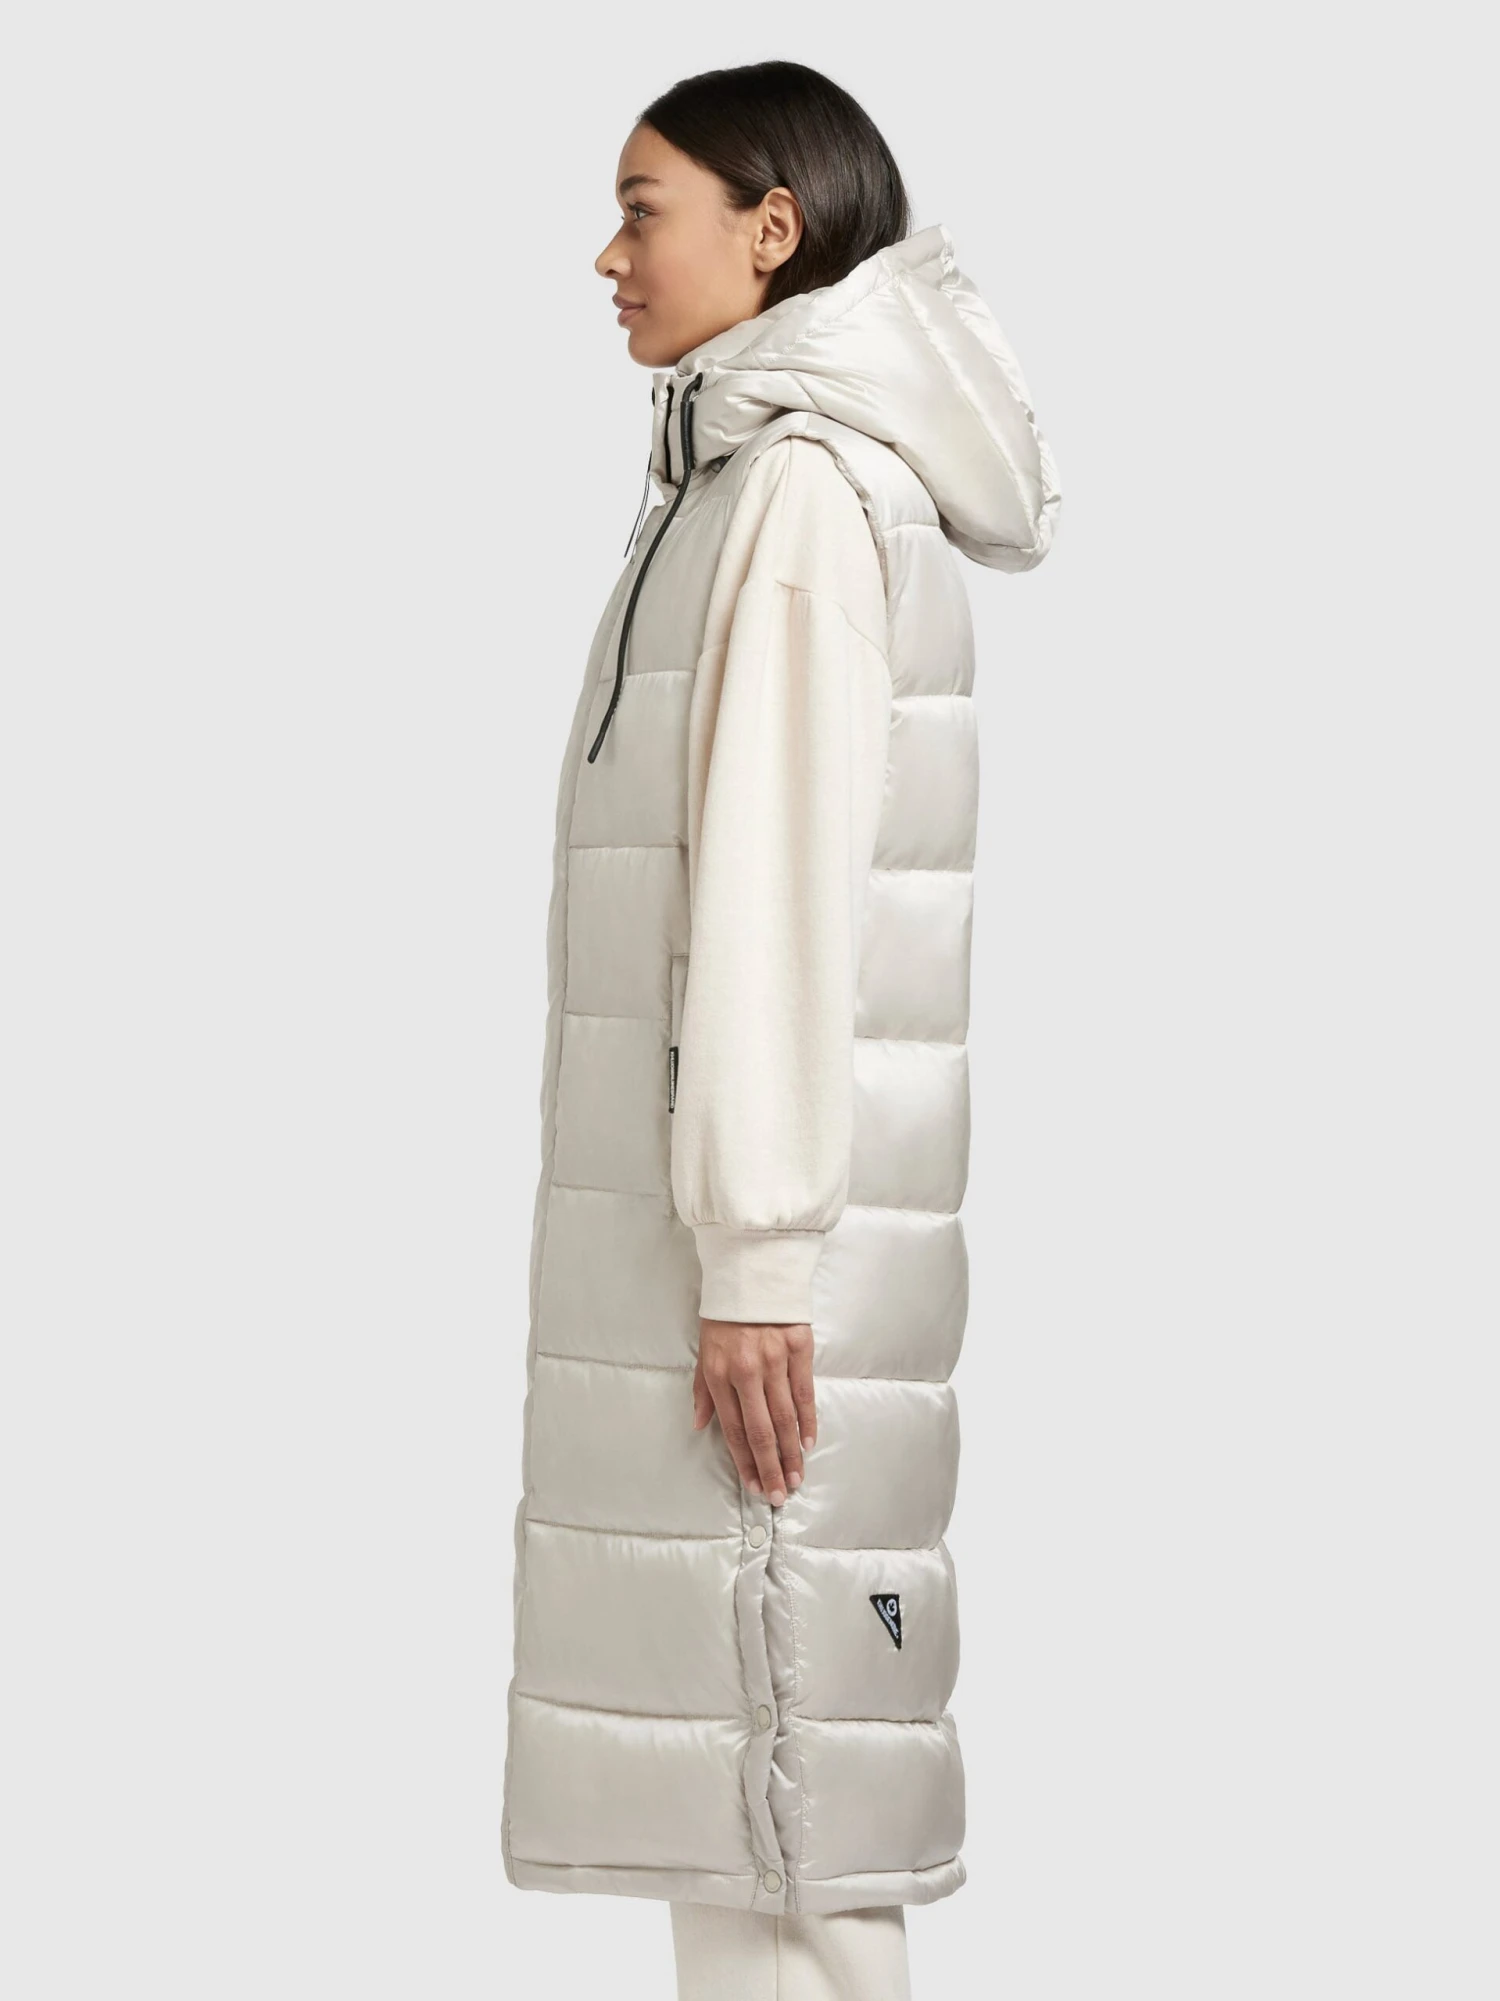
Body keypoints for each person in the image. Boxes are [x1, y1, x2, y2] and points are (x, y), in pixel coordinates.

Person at [500, 59, 1059, 2000]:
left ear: (773, 227)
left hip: (772, 1293)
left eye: (640, 209)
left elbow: (775, 902)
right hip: (759, 1272)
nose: (607, 254)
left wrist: (751, 1259)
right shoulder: (737, 485)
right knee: (755, 1822)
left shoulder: (803, 500)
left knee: (791, 1818)